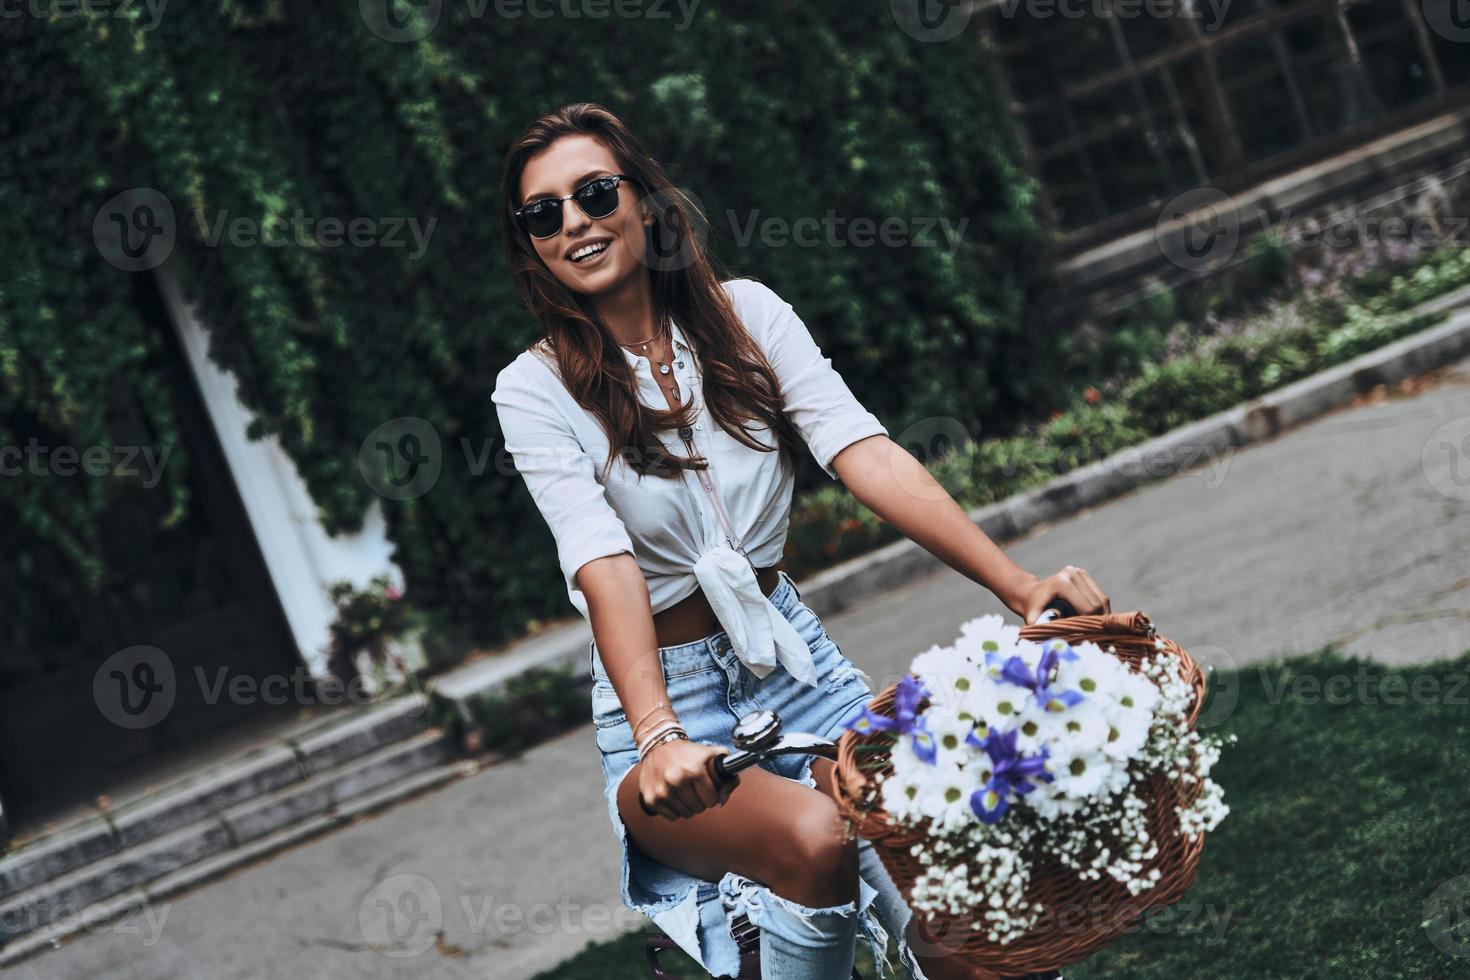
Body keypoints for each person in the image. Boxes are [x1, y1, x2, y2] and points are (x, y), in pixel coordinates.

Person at [491, 102, 1107, 980]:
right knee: (818, 837)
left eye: (593, 193)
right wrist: (660, 734)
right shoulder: (533, 390)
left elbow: (864, 452)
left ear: (646, 201)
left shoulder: (748, 315)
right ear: (530, 244)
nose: (575, 224)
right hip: (667, 704)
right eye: (543, 213)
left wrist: (1018, 586)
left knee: (985, 938)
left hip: (799, 669)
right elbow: (602, 561)